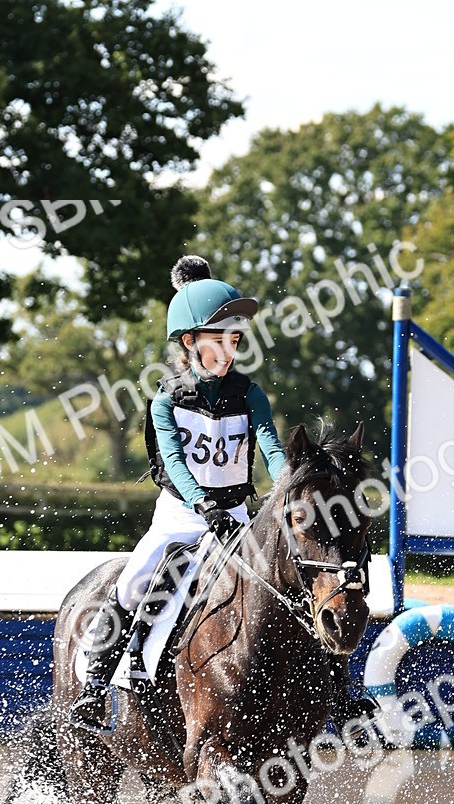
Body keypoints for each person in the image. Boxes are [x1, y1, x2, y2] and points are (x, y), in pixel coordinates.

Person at [70, 254, 287, 732]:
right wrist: (204, 505)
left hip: (235, 515)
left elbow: (270, 448)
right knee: (135, 579)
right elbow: (173, 463)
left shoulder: (250, 395)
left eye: (235, 339)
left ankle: (340, 689)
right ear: (189, 342)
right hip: (182, 515)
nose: (229, 351)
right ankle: (95, 688)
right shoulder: (166, 400)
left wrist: (288, 483)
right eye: (219, 340)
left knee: (287, 584)